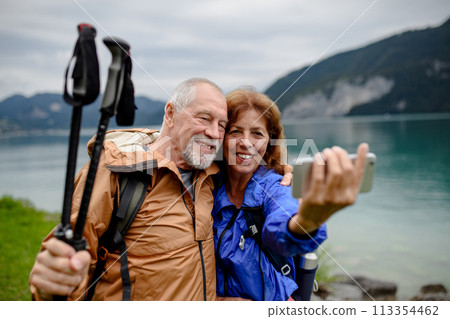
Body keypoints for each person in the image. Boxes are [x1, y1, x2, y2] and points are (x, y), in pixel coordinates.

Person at [29, 78, 229, 300]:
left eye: (222, 125)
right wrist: (51, 289)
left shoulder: (211, 176)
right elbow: (67, 269)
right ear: (171, 114)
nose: (214, 133)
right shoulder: (115, 173)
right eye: (204, 118)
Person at [213, 88, 369, 300]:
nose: (246, 142)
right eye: (235, 131)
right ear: (222, 137)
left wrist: (306, 221)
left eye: (257, 133)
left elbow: (281, 229)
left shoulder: (275, 186)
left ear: (270, 142)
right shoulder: (206, 185)